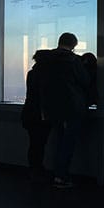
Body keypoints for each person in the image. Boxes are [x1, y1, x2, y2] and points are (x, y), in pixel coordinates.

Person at [36, 32, 90, 189]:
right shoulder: (73, 61)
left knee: (58, 140)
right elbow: (85, 80)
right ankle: (61, 175)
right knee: (68, 142)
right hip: (72, 107)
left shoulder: (46, 60)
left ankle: (57, 173)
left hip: (52, 107)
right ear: (73, 45)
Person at [21, 49, 52, 182]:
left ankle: (35, 169)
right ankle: (37, 169)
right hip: (40, 116)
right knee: (39, 144)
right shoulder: (48, 76)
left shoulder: (32, 74)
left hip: (29, 114)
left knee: (35, 143)